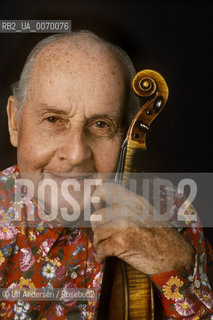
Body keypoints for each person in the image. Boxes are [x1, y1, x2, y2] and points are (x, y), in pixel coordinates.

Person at [0, 30, 212, 319]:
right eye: (53, 119)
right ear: (14, 122)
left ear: (124, 133)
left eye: (101, 125)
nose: (76, 155)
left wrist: (176, 265)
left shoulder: (172, 213)